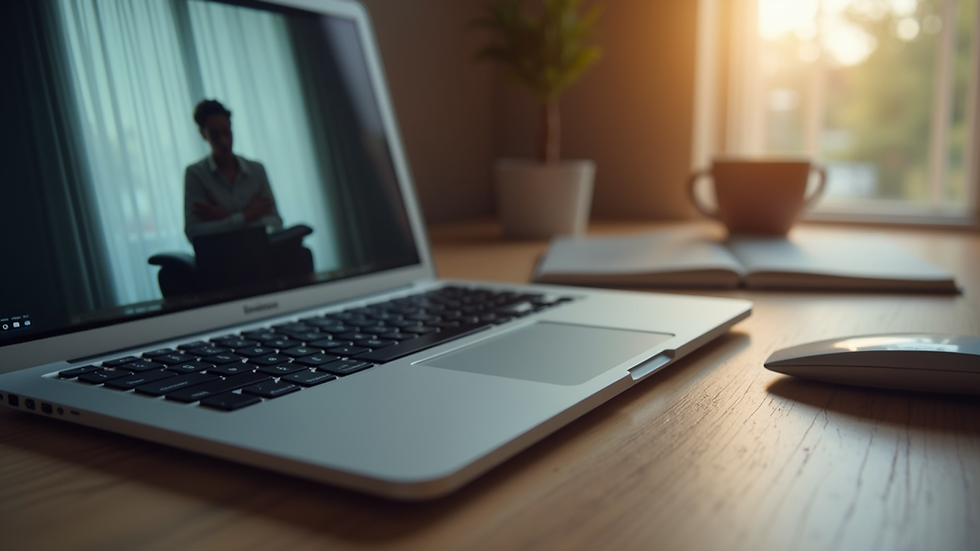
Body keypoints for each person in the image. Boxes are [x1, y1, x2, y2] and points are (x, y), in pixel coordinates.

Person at [183, 99, 283, 241]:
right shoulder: (195, 174)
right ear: (203, 134)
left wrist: (226, 218)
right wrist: (248, 215)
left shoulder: (256, 170)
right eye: (215, 135)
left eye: (226, 132)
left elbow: (276, 222)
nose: (223, 141)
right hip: (221, 255)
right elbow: (193, 232)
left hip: (256, 251)